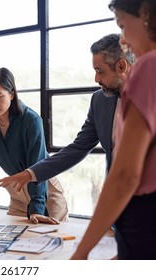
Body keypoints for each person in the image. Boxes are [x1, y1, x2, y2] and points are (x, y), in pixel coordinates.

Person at [0, 34, 134, 196]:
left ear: (121, 66)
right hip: (118, 199)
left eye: (100, 71)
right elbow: (78, 148)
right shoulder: (99, 100)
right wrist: (30, 173)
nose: (96, 79)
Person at [72, 0, 156, 259]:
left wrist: (81, 253)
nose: (123, 39)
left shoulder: (149, 66)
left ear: (144, 14)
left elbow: (125, 177)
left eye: (122, 26)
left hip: (142, 215)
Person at [0, 67, 68, 224]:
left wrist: (37, 208)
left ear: (12, 94)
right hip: (17, 193)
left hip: (45, 190)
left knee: (50, 241)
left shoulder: (31, 120)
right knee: (14, 242)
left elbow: (37, 165)